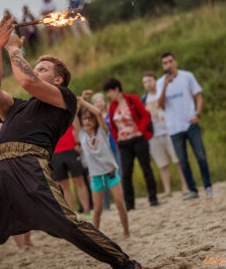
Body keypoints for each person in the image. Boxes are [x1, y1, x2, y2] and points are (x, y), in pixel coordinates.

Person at [0, 14, 143, 269]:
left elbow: (27, 81)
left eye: (43, 68)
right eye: (36, 66)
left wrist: (13, 48)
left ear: (58, 80)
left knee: (66, 224)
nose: (36, 70)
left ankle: (124, 263)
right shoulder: (17, 107)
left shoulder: (64, 101)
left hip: (27, 166)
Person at [157, 52, 213, 200]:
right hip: (174, 128)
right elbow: (160, 104)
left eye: (170, 61)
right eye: (165, 63)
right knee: (182, 160)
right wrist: (165, 86)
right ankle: (192, 189)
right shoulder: (160, 82)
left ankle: (208, 186)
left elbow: (198, 95)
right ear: (163, 66)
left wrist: (198, 114)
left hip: (190, 123)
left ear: (175, 62)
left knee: (200, 156)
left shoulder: (187, 76)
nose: (168, 65)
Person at [74, 94, 129, 236]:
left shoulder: (102, 132)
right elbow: (74, 117)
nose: (86, 121)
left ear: (95, 121)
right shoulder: (82, 135)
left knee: (120, 204)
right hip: (96, 175)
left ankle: (126, 232)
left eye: (89, 118)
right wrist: (78, 104)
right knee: (97, 210)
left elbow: (98, 113)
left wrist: (84, 101)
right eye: (84, 119)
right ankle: (97, 238)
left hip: (110, 172)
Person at [0, 112, 33, 249]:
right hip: (2, 184)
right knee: (13, 216)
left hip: (16, 179)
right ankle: (21, 246)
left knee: (27, 211)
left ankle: (27, 239)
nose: (2, 122)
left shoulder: (5, 139)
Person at [104, 78, 158, 210]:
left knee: (146, 168)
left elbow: (145, 116)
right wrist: (117, 138)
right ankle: (130, 203)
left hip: (138, 139)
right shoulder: (112, 106)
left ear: (116, 89)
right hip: (124, 143)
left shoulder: (132, 99)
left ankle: (153, 198)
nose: (108, 95)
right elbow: (112, 124)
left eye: (109, 91)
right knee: (126, 173)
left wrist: (140, 130)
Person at [141, 72, 189, 197]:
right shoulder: (144, 99)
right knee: (162, 164)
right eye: (145, 82)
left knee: (178, 160)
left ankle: (185, 185)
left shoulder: (163, 93)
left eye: (150, 80)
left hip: (169, 130)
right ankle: (167, 190)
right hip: (154, 135)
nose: (148, 84)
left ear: (155, 80)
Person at [51, 124, 90, 217]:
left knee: (79, 181)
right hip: (55, 152)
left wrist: (78, 143)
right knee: (63, 185)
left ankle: (87, 211)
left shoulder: (66, 109)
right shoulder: (42, 112)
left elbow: (76, 125)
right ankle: (71, 214)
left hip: (71, 149)